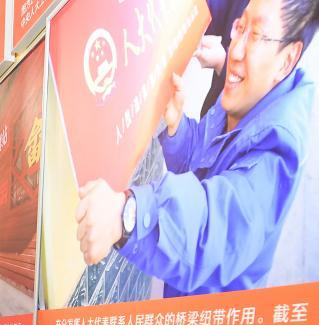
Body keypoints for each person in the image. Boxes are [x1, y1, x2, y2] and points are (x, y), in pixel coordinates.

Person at [74, 0, 317, 296]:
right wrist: (178, 129)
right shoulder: (244, 94)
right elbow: (200, 165)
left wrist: (127, 215)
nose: (235, 50)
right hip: (179, 289)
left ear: (287, 60)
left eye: (256, 35)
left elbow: (210, 227)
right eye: (239, 27)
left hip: (209, 317)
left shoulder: (276, 150)